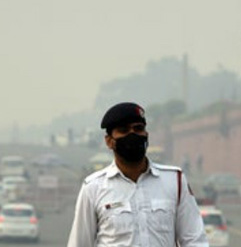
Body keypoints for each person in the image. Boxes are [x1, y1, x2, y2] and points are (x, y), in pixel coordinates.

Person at [68, 102, 208, 247]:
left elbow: (195, 241)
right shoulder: (93, 187)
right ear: (109, 141)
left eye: (138, 129)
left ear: (146, 134)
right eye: (124, 130)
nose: (133, 135)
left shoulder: (175, 180)